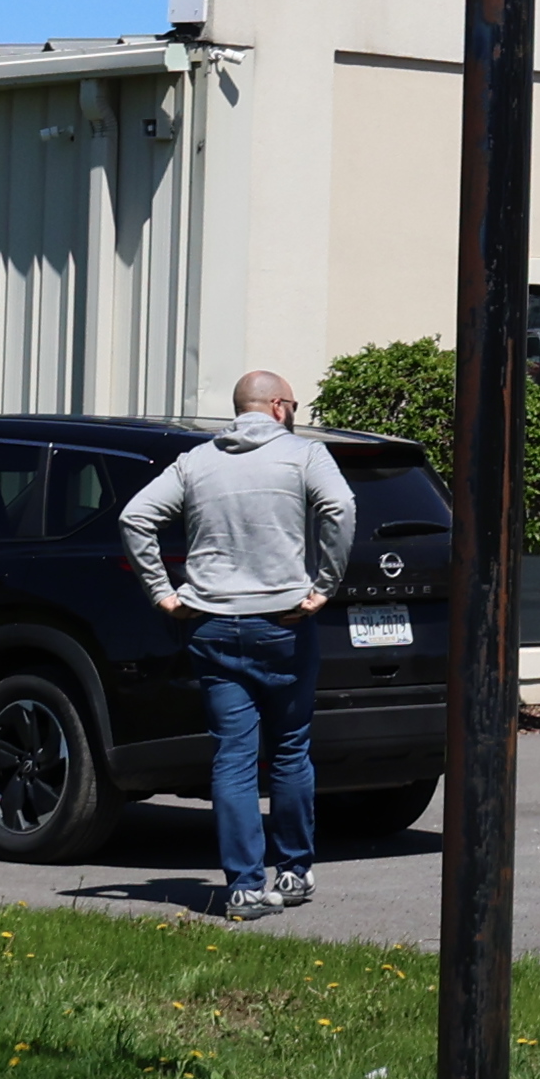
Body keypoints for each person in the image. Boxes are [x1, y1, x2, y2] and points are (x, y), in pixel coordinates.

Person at [121, 370, 357, 921]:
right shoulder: (305, 455)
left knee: (233, 755)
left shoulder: (195, 462)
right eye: (293, 403)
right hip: (284, 622)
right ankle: (293, 872)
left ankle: (245, 889)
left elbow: (135, 517)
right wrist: (324, 585)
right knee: (290, 748)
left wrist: (162, 593)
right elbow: (341, 509)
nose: (294, 411)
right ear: (277, 406)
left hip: (212, 624)